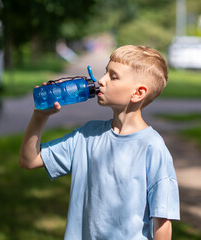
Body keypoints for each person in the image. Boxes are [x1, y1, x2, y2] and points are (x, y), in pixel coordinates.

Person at [19, 45, 180, 240]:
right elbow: (29, 160)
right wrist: (40, 116)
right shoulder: (86, 136)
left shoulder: (152, 148)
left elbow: (162, 223)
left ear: (138, 93)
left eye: (113, 76)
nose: (101, 81)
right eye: (105, 72)